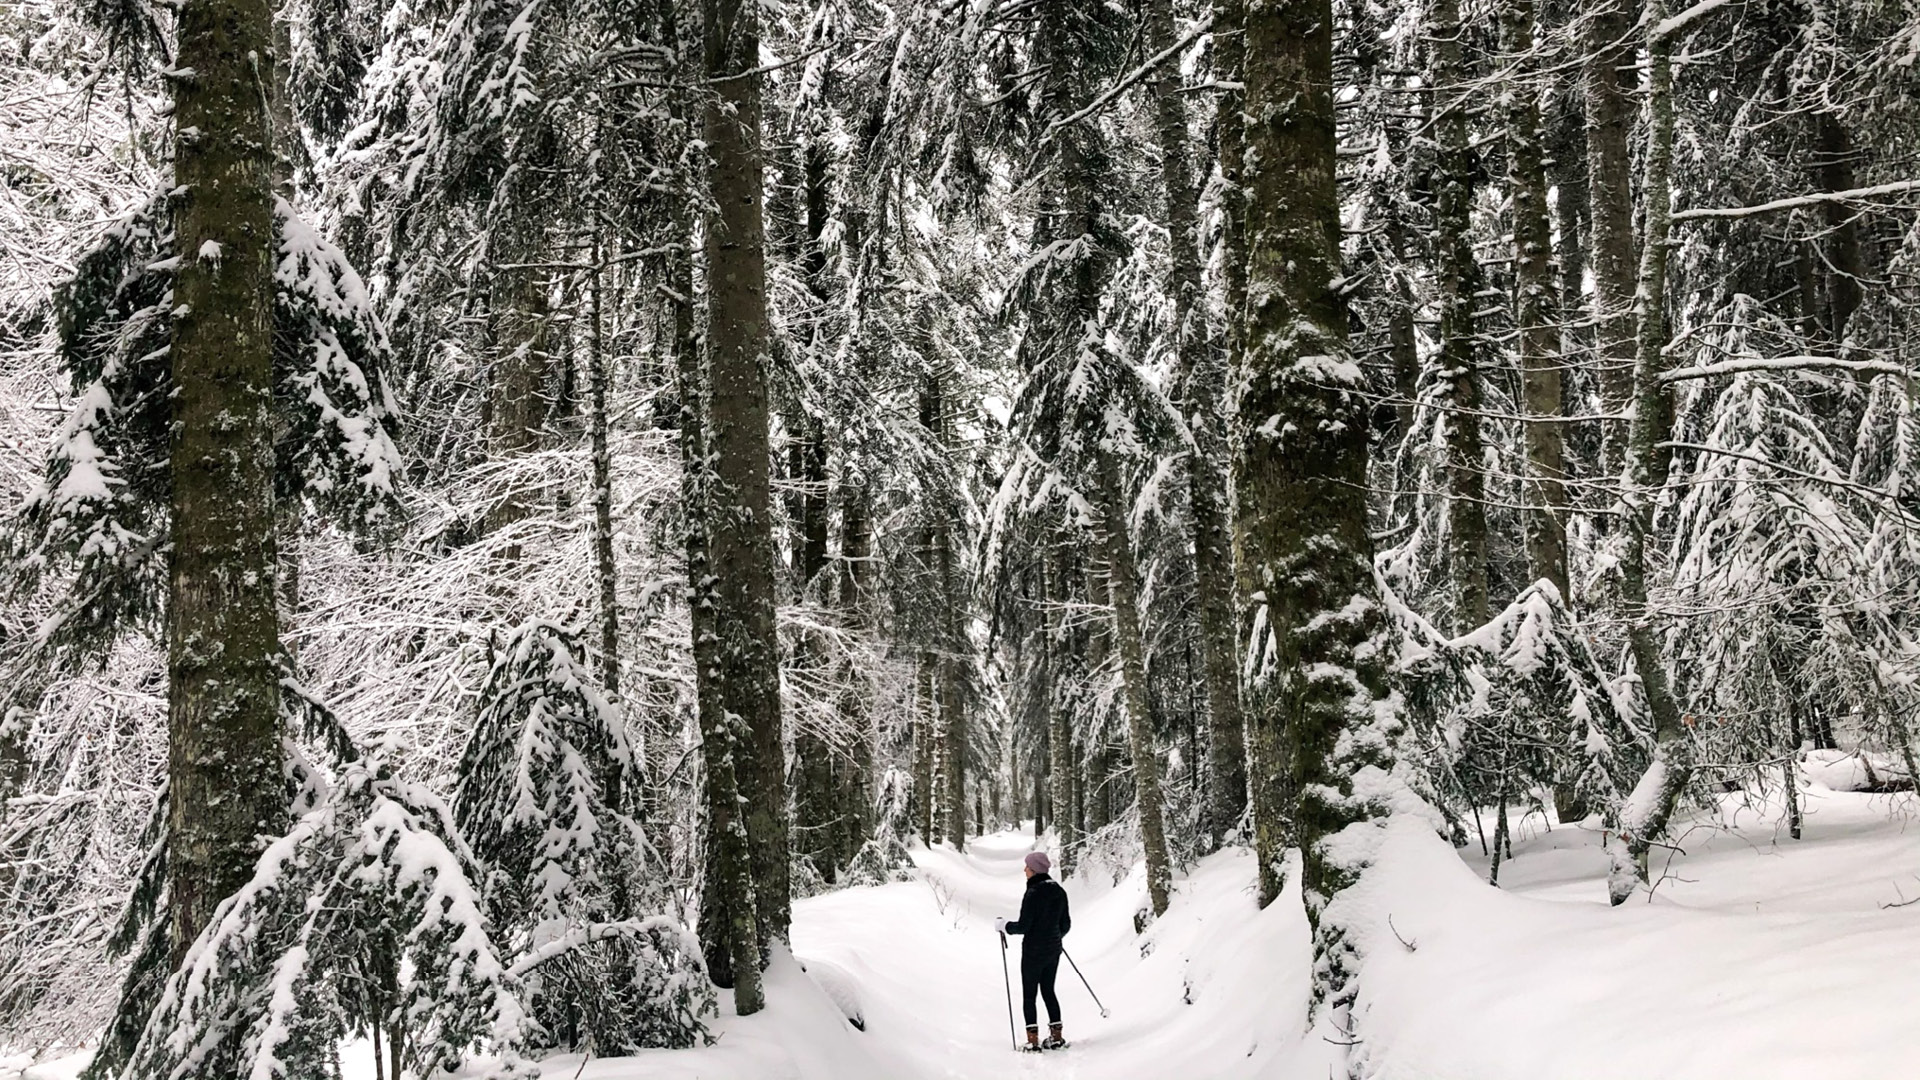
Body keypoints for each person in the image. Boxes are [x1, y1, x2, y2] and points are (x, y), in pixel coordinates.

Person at [995, 850, 1071, 1051]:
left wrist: (1004, 926)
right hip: (1053, 950)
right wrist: (1054, 937)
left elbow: (1023, 926)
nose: (1024, 870)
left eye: (1027, 867)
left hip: (1033, 953)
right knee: (1049, 991)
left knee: (1030, 995)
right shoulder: (1059, 891)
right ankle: (1056, 1036)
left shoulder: (1033, 893)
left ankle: (1032, 1040)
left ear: (1035, 870)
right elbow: (1066, 925)